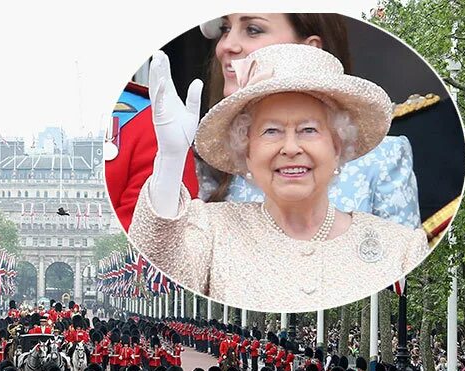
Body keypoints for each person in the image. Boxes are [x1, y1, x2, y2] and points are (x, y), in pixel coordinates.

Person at [128, 44, 428, 312]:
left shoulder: (402, 248)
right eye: (271, 131)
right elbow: (156, 279)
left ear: (337, 147)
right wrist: (169, 159)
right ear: (246, 151)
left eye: (308, 130)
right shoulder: (210, 228)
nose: (291, 148)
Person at [107, 13, 421, 231]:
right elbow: (161, 251)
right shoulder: (203, 166)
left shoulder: (382, 159)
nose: (225, 45)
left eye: (253, 29)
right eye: (226, 28)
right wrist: (171, 161)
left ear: (308, 48)